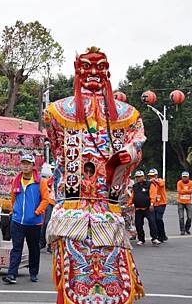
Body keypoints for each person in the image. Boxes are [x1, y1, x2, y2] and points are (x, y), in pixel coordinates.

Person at [45, 47, 147, 302]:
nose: (92, 73)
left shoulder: (128, 115)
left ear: (108, 72)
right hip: (72, 207)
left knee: (114, 270)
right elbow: (57, 149)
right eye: (86, 67)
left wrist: (128, 153)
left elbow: (137, 140)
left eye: (99, 67)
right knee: (74, 275)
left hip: (107, 207)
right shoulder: (58, 112)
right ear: (77, 72)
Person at [2, 154, 49, 284]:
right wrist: (14, 211)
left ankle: (33, 273)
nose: (25, 166)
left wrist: (37, 212)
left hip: (34, 222)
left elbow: (46, 200)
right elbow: (13, 198)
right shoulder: (16, 180)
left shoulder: (40, 181)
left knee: (34, 248)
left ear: (33, 166)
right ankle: (12, 274)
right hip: (17, 221)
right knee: (16, 248)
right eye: (23, 163)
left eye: (28, 163)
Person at [129, 170, 160, 246]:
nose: (138, 178)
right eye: (137, 177)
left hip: (148, 208)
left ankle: (154, 238)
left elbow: (153, 194)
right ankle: (141, 239)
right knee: (138, 224)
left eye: (139, 177)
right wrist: (129, 204)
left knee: (152, 222)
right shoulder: (135, 186)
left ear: (143, 177)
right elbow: (132, 196)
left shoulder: (149, 184)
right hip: (138, 209)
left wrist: (152, 204)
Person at [38, 163, 55, 253]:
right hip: (50, 202)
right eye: (52, 169)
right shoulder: (49, 181)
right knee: (46, 223)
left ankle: (51, 245)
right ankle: (42, 243)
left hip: (59, 203)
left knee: (55, 225)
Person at [148, 168, 168, 242]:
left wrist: (154, 180)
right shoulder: (149, 183)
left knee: (158, 218)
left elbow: (161, 184)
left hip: (161, 203)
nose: (151, 177)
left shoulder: (160, 180)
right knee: (154, 220)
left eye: (153, 175)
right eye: (150, 176)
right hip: (153, 204)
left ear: (156, 175)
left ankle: (162, 235)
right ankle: (157, 236)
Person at [177, 171, 192, 235]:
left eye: (186, 177)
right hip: (180, 202)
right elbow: (179, 191)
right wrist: (187, 191)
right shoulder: (179, 182)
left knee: (190, 217)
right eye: (183, 177)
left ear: (188, 177)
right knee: (181, 217)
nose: (184, 178)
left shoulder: (191, 183)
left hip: (188, 202)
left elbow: (191, 191)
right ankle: (182, 230)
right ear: (181, 177)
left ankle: (187, 228)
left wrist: (183, 191)